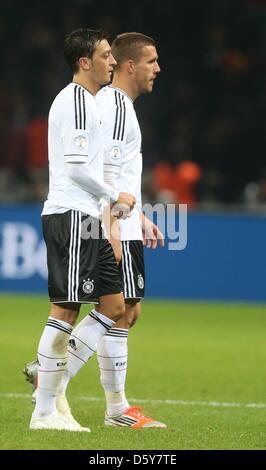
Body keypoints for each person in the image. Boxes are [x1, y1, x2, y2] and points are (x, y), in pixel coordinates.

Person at [25, 32, 166, 429]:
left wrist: (132, 215)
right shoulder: (102, 104)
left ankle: (63, 389)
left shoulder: (94, 103)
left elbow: (116, 174)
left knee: (120, 308)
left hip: (98, 214)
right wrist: (115, 220)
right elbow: (97, 171)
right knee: (81, 309)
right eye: (152, 61)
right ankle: (57, 395)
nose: (158, 68)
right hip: (84, 215)